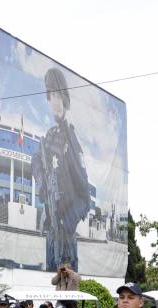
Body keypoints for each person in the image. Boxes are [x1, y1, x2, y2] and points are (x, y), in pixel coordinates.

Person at [32, 67, 90, 272]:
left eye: (58, 95)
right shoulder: (49, 136)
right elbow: (36, 159)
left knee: (67, 290)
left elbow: (85, 196)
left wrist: (67, 222)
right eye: (51, 96)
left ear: (65, 99)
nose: (54, 101)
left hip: (65, 233)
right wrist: (42, 181)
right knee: (50, 279)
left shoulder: (71, 139)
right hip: (51, 229)